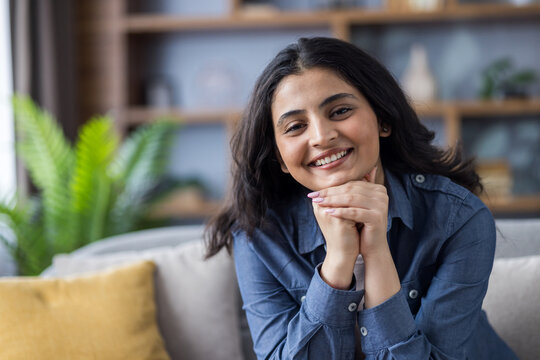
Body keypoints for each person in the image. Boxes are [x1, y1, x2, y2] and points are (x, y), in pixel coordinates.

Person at [205, 37, 517, 360]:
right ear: (280, 158)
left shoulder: (459, 218)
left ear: (382, 118)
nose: (321, 136)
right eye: (296, 126)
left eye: (340, 111)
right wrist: (338, 261)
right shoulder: (257, 234)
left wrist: (376, 251)